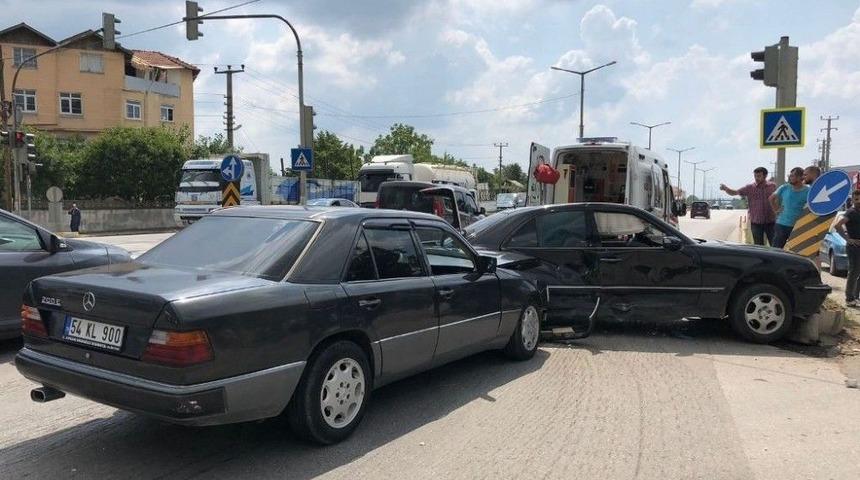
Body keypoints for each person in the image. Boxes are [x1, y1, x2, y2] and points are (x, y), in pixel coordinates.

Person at [720, 167, 777, 246]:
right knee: (759, 247)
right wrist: (726, 189)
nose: (756, 178)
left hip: (771, 222)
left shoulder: (772, 186)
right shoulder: (749, 188)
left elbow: (779, 199)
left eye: (759, 176)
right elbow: (735, 192)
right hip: (756, 223)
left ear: (765, 176)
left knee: (775, 246)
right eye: (755, 176)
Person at [770, 167, 810, 248]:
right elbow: (771, 198)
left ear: (800, 177)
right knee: (777, 249)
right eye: (790, 175)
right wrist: (776, 210)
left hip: (798, 226)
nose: (790, 177)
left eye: (792, 176)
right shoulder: (784, 187)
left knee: (796, 250)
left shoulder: (808, 190)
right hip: (782, 224)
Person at [834, 189, 860, 307]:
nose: (857, 200)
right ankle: (849, 298)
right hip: (854, 247)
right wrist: (848, 239)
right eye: (855, 198)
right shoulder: (851, 212)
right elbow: (838, 225)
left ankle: (856, 296)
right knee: (853, 272)